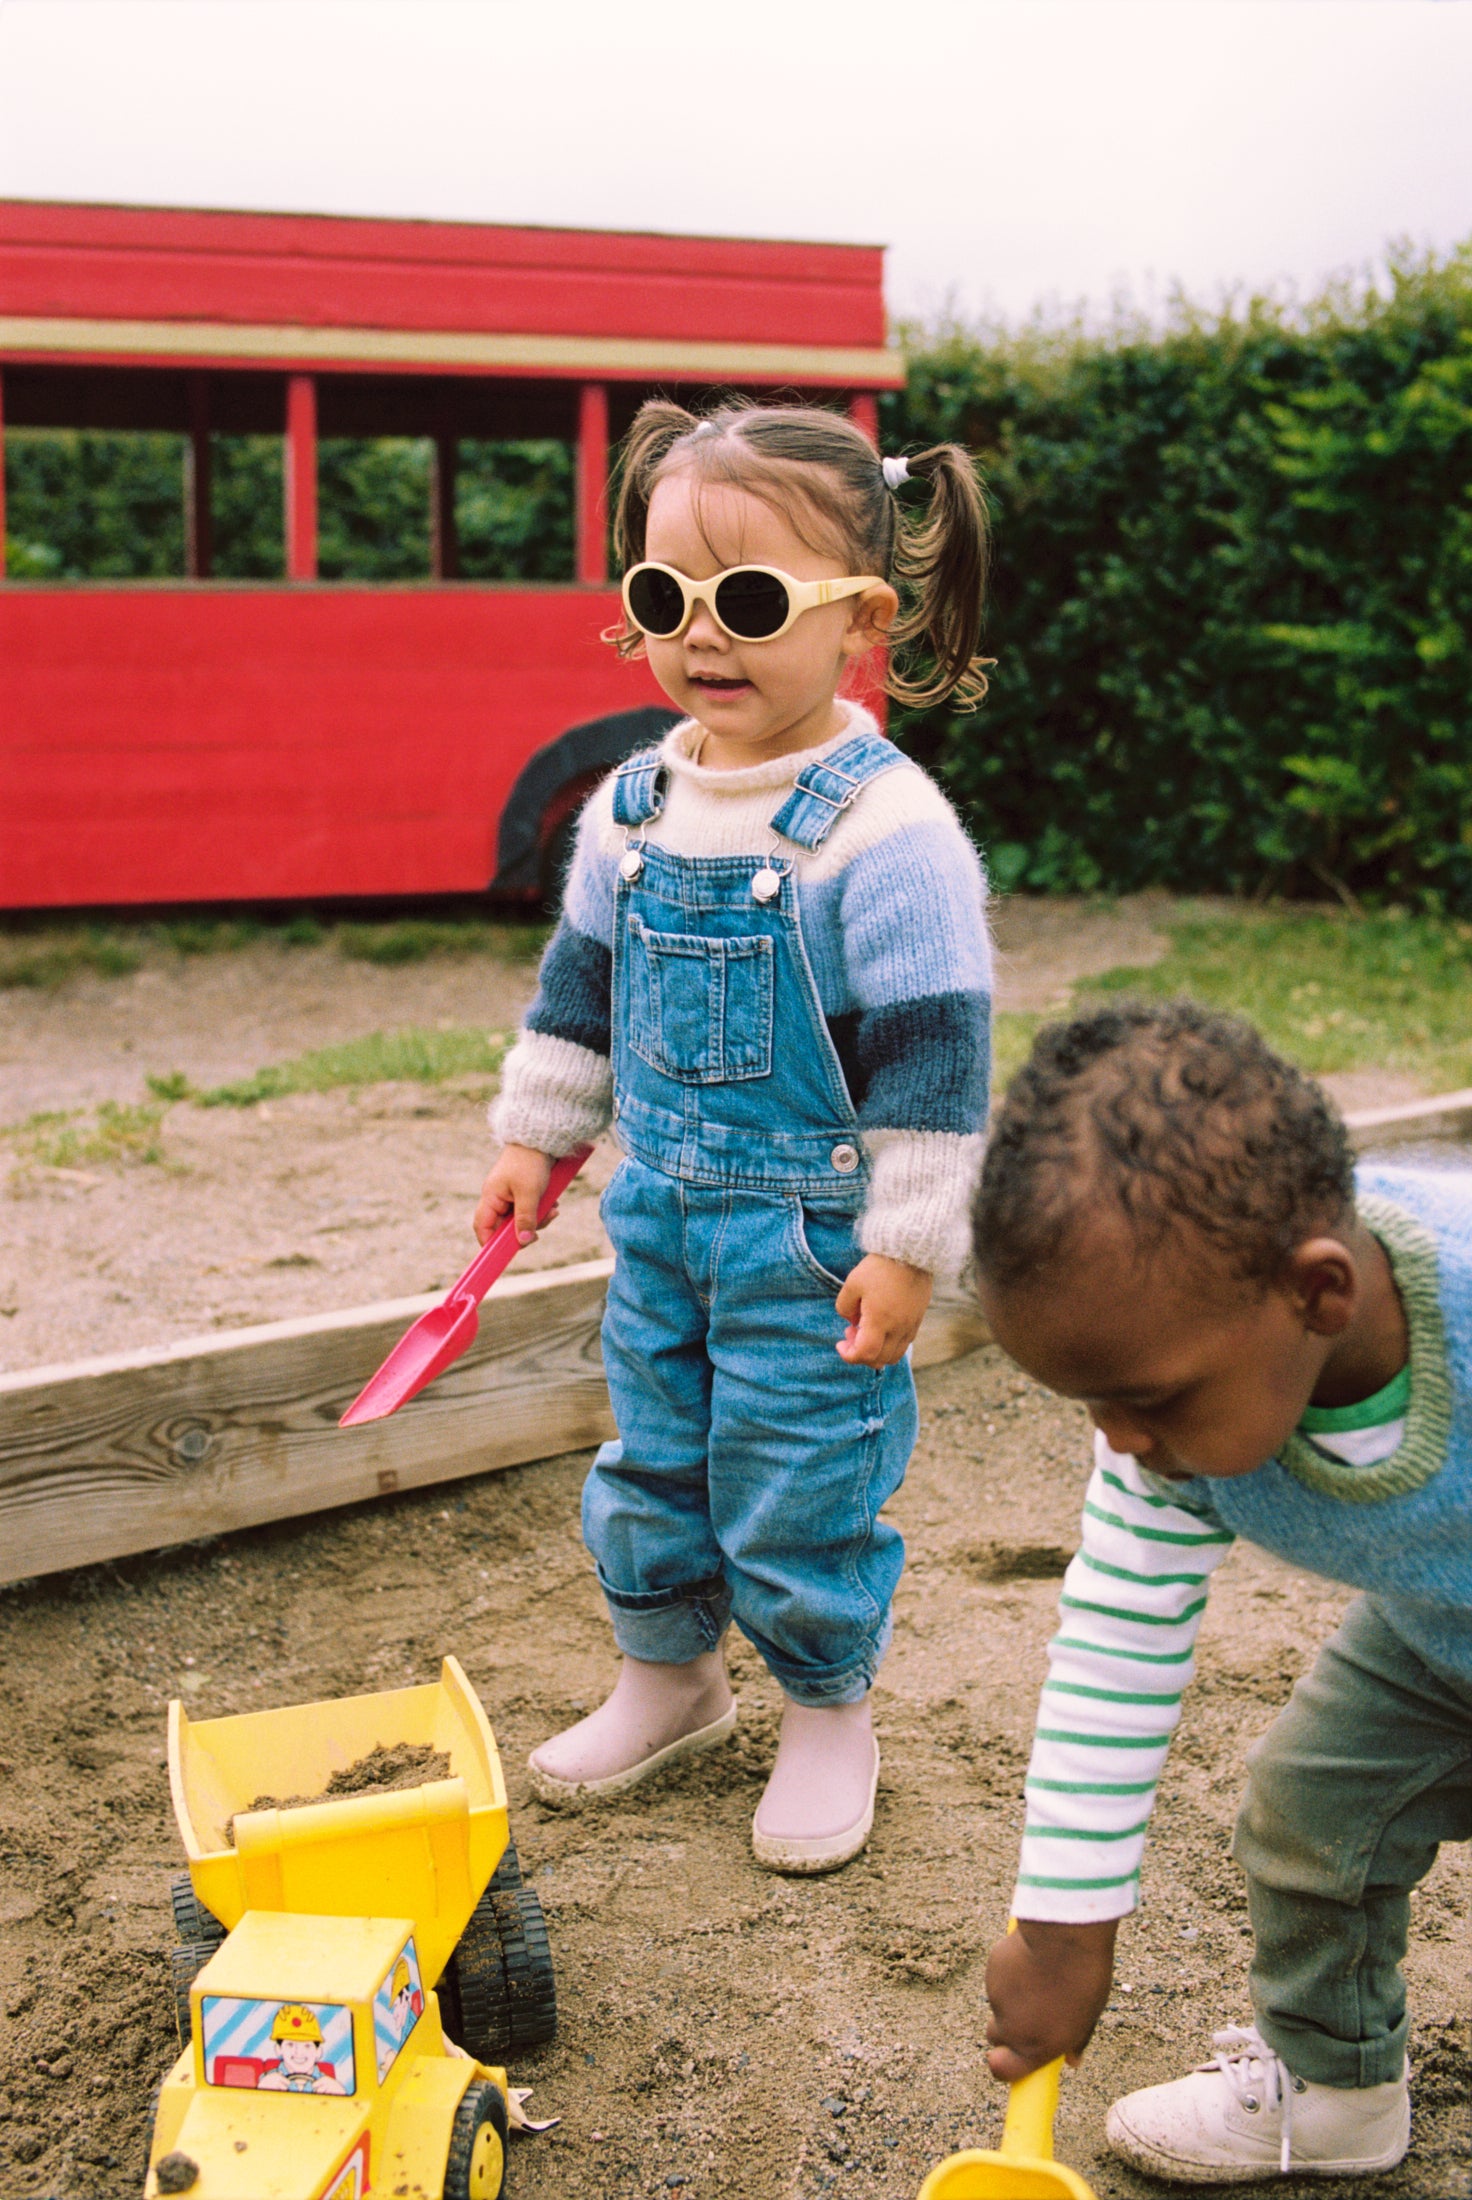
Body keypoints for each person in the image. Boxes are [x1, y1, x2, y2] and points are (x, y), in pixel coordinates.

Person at [477, 399, 993, 1872]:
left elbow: (934, 1067)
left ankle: (828, 1708)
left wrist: (907, 1247)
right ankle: (671, 1676)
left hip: (815, 1238)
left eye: (751, 601)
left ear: (863, 620)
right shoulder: (633, 807)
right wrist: (540, 1139)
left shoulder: (882, 832)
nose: (702, 635)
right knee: (655, 1457)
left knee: (798, 1474)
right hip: (660, 1220)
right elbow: (581, 990)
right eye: (663, 598)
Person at [971, 998, 1472, 2183]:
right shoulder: (1168, 1436)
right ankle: (1338, 2088)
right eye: (1086, 1403)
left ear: (1317, 1295)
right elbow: (1112, 1648)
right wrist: (1059, 1926)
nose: (1121, 1439)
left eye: (1143, 1397)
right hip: (1432, 1634)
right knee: (1307, 1812)